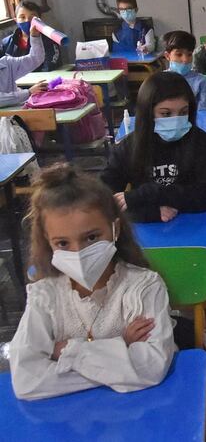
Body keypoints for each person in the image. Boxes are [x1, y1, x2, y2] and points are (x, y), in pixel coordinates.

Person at [9, 164, 176, 400]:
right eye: (63, 243)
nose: (78, 252)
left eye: (91, 237)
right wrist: (120, 350)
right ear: (49, 242)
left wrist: (67, 351)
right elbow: (27, 381)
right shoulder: (44, 296)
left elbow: (150, 367)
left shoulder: (143, 287)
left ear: (114, 229)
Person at [101, 71, 206, 224]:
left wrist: (152, 193)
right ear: (148, 113)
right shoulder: (128, 147)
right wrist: (150, 213)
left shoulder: (203, 143)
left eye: (183, 112)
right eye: (166, 114)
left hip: (196, 225)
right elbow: (103, 201)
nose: (176, 120)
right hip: (146, 230)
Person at [1, 0, 62, 72]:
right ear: (16, 20)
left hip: (41, 81)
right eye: (22, 17)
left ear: (39, 19)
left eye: (32, 17)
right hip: (15, 82)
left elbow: (50, 67)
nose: (27, 20)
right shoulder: (6, 43)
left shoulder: (49, 40)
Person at [161, 30, 206, 110]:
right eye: (179, 54)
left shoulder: (201, 81)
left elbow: (204, 112)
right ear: (167, 56)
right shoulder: (159, 81)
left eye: (189, 54)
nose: (185, 59)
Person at [0, 23, 46, 108]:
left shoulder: (6, 63)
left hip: (14, 116)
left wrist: (34, 36)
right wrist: (28, 92)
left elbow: (36, 58)